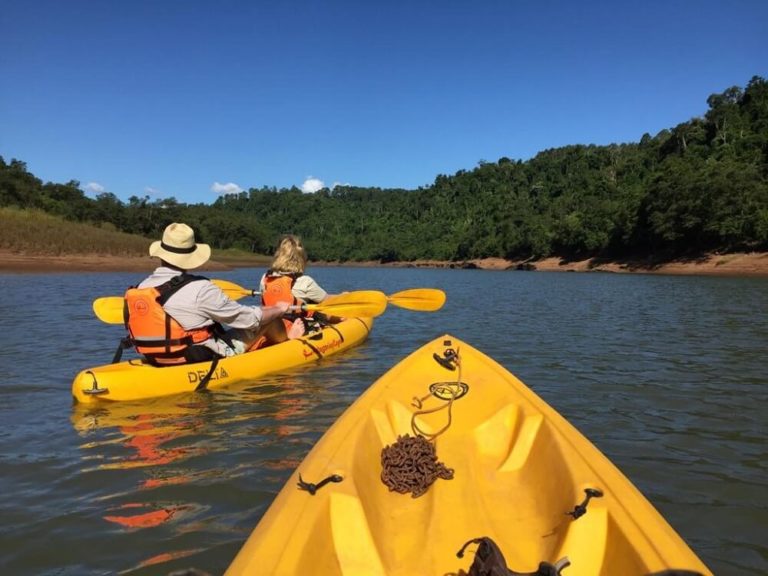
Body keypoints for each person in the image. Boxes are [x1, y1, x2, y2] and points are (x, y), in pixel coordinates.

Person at [124, 222, 299, 366]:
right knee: (268, 317)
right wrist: (277, 309)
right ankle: (289, 340)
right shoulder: (201, 288)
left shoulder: (140, 288)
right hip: (196, 357)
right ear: (190, 256)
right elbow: (246, 319)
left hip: (154, 358)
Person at [259, 234, 340, 331]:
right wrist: (344, 296)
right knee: (322, 311)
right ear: (301, 258)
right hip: (295, 328)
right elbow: (328, 301)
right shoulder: (305, 282)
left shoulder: (265, 278)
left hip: (273, 329)